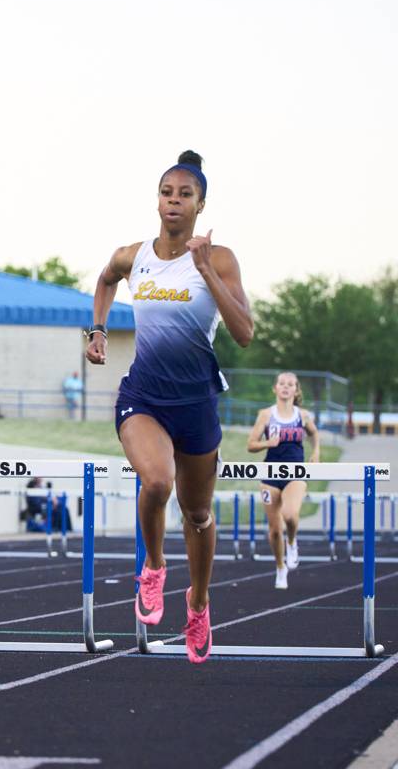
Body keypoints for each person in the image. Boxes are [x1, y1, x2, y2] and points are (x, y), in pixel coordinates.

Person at [86, 150, 253, 664]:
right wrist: (96, 329)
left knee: (198, 513)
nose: (174, 201)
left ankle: (198, 603)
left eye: (185, 195)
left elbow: (245, 333)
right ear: (157, 200)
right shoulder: (134, 255)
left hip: (196, 400)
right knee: (157, 482)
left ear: (201, 205)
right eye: (167, 193)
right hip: (144, 396)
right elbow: (106, 279)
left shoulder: (218, 258)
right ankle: (154, 568)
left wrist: (206, 270)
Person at [247, 372, 320, 590]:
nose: (286, 387)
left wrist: (316, 452)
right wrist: (268, 443)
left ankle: (292, 543)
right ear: (275, 389)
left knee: (290, 515)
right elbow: (251, 445)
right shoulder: (266, 415)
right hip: (270, 474)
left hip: (295, 472)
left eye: (290, 384)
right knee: (274, 529)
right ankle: (280, 567)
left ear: (296, 391)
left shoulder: (303, 415)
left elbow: (315, 434)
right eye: (282, 384)